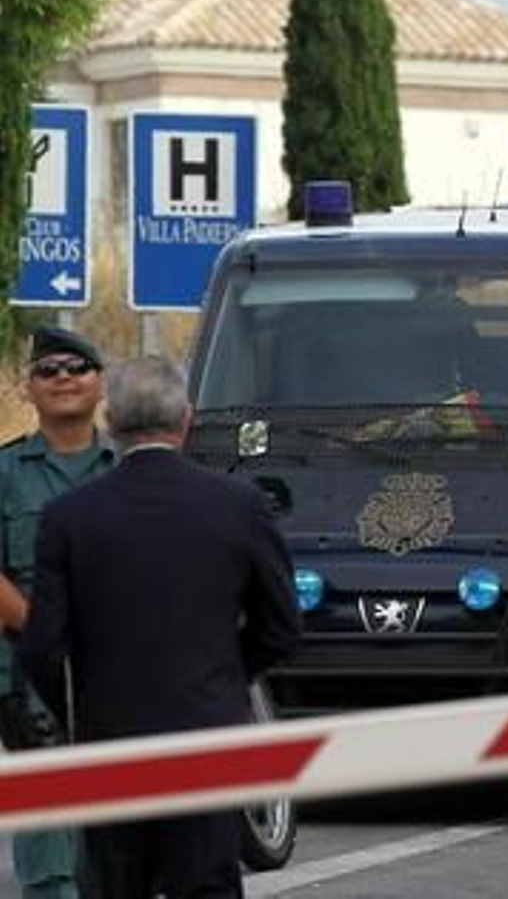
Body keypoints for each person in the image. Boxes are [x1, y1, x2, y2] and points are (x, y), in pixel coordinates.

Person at [18, 357, 302, 898]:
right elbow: (282, 627)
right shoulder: (239, 506)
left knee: (116, 886)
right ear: (186, 418)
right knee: (206, 885)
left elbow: (41, 647)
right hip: (207, 737)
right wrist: (225, 678)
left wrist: (80, 710)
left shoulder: (69, 516)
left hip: (111, 744)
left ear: (110, 421)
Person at [0, 327, 114, 899]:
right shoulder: (5, 473)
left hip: (122, 669)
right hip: (29, 676)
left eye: (77, 367)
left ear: (101, 383)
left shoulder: (130, 467)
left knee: (115, 838)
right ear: (29, 388)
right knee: (48, 847)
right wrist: (49, 631)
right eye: (48, 370)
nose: (63, 378)